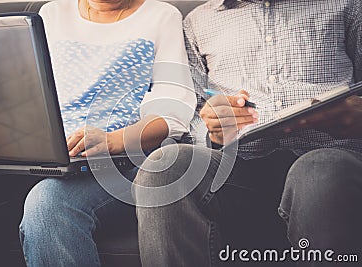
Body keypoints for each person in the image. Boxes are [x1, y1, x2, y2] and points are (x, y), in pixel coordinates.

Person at [0, 0, 196, 266]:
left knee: (48, 203)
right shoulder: (52, 14)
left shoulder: (161, 16)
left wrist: (112, 141)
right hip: (50, 156)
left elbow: (173, 115)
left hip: (120, 163)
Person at [134, 0, 362, 266]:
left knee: (320, 170)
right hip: (236, 169)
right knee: (165, 166)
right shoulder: (197, 23)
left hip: (330, 160)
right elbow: (192, 114)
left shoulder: (348, 6)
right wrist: (213, 132)